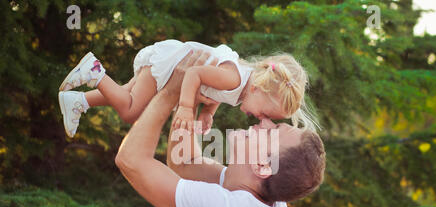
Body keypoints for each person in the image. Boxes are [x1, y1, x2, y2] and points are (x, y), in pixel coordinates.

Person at [114, 50, 326, 207]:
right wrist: (189, 100)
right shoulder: (265, 202)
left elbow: (130, 161)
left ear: (261, 166)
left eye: (273, 130)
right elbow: (185, 163)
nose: (265, 121)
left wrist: (172, 92)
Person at [57, 39, 318, 138]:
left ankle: (79, 101)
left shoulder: (240, 89)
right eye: (267, 113)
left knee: (123, 94)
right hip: (173, 63)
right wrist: (184, 107)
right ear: (261, 90)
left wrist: (207, 114)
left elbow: (214, 94)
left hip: (171, 60)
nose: (263, 119)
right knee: (130, 111)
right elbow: (194, 73)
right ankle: (93, 71)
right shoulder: (235, 80)